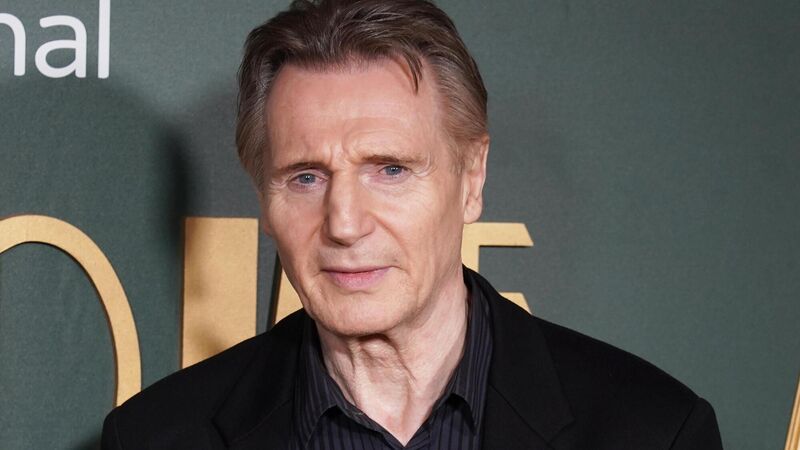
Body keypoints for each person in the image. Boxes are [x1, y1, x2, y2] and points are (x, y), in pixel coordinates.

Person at [101, 0, 723, 448]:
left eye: (391, 170)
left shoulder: (653, 429)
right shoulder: (156, 436)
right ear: (264, 198)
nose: (345, 224)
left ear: (472, 178)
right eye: (306, 177)